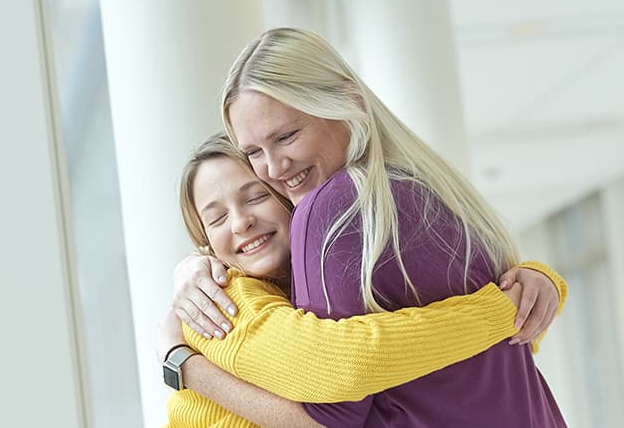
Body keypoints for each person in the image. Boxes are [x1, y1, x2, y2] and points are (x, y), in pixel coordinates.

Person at [158, 133, 566, 427]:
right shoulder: (221, 297)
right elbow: (349, 366)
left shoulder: (318, 282)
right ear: (205, 242)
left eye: (255, 197)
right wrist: (503, 308)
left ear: (287, 196)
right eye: (216, 218)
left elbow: (468, 355)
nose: (241, 221)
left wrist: (538, 282)